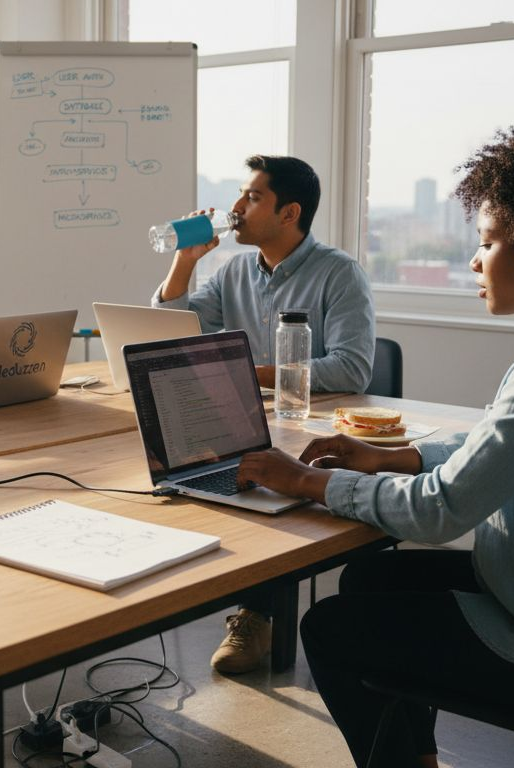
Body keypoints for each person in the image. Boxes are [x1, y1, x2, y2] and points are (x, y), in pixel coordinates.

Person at [236, 126, 514, 768]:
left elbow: (440, 513)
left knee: (329, 632)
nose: (475, 261)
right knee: (367, 579)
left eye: (488, 242)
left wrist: (303, 481)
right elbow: (502, 444)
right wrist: (397, 456)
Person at [153, 154, 377, 674]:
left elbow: (351, 369)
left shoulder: (339, 274)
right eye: (240, 194)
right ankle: (232, 599)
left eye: (252, 197)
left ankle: (257, 613)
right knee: (176, 472)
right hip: (244, 422)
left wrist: (243, 372)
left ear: (288, 212)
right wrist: (185, 260)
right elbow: (169, 331)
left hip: (314, 431)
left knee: (260, 478)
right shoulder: (233, 270)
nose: (235, 208)